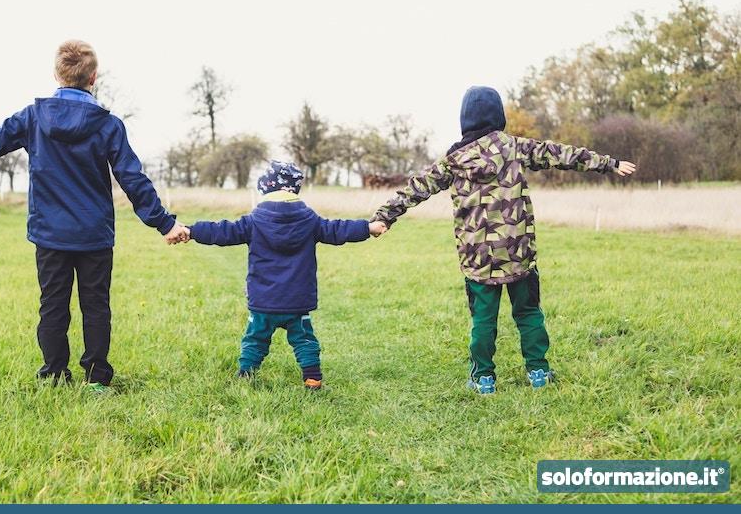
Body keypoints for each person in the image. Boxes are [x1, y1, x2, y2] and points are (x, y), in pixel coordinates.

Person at [0, 40, 189, 392]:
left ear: (56, 74)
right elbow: (133, 178)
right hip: (94, 235)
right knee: (96, 305)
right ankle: (96, 379)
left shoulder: (34, 118)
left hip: (50, 235)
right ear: (93, 77)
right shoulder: (108, 125)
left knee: (52, 306)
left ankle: (53, 374)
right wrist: (164, 223)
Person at [371, 86, 636, 394]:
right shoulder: (513, 147)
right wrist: (609, 163)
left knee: (483, 320)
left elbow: (416, 188)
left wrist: (384, 216)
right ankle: (538, 371)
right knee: (528, 313)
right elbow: (560, 154)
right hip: (518, 252)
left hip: (478, 259)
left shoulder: (453, 160)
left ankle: (483, 378)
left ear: (465, 120)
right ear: (498, 116)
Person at [182, 161, 385, 389]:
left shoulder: (253, 221)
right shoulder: (310, 221)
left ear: (266, 189)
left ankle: (245, 375)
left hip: (263, 301)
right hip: (297, 301)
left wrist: (192, 231)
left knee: (255, 339)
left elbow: (222, 231)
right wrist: (367, 228)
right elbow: (337, 229)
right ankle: (312, 378)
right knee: (304, 340)